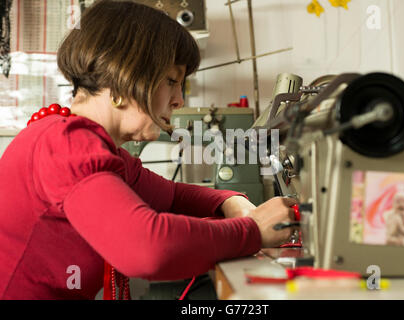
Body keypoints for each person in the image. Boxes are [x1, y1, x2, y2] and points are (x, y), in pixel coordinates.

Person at [0, 0, 298, 300]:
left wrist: (231, 201)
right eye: (172, 81)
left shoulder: (97, 148)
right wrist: (252, 231)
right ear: (125, 76)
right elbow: (147, 250)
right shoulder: (68, 145)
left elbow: (172, 196)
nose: (179, 100)